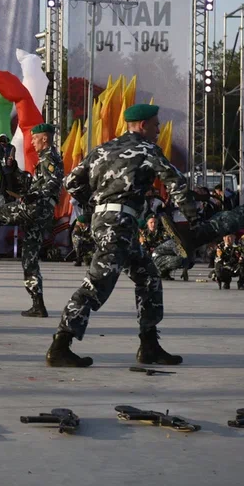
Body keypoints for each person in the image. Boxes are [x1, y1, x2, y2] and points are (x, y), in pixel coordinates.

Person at [46, 103, 196, 368]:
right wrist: (194, 219)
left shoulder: (102, 150)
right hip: (119, 225)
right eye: (156, 125)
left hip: (108, 223)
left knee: (148, 277)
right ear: (142, 126)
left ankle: (149, 346)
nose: (158, 130)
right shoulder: (147, 149)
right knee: (97, 284)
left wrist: (93, 206)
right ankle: (60, 345)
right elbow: (176, 182)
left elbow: (71, 183)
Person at [0, 123, 63, 318]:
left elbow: (52, 183)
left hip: (38, 208)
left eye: (35, 138)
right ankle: (38, 304)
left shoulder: (50, 157)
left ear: (44, 138)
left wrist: (35, 195)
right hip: (39, 209)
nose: (32, 142)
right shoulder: (44, 158)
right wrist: (13, 169)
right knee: (29, 258)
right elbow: (32, 183)